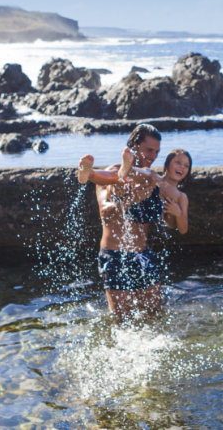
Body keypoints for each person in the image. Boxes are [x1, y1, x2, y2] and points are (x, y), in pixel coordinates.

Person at [76, 124, 166, 321]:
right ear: (134, 146)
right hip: (115, 255)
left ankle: (93, 175)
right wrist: (125, 201)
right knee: (121, 319)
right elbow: (107, 211)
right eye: (149, 150)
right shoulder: (113, 171)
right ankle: (88, 175)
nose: (153, 156)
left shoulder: (150, 177)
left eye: (157, 152)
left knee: (154, 315)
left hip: (142, 254)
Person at [79, 147, 192, 235]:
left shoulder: (181, 196)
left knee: (145, 177)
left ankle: (128, 171)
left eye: (186, 165)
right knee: (121, 178)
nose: (182, 167)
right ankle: (90, 174)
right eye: (178, 162)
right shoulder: (154, 176)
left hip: (146, 211)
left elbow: (183, 229)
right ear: (167, 164)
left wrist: (178, 213)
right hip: (134, 201)